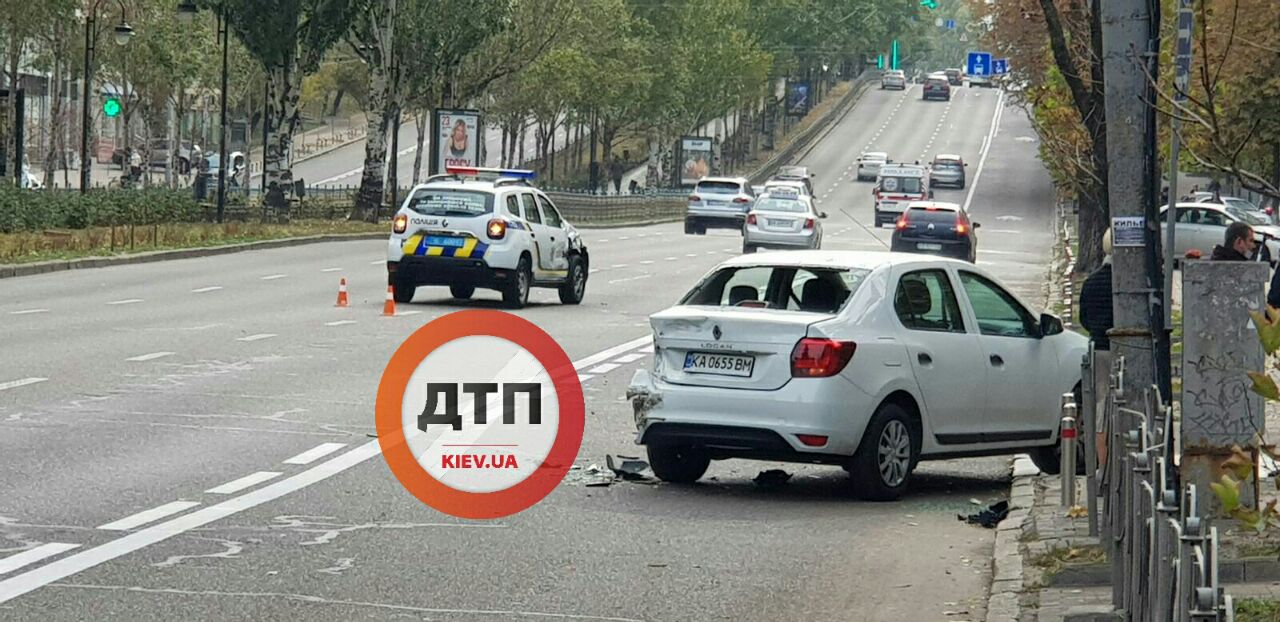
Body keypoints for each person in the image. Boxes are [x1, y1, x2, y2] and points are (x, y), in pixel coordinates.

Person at [1079, 228, 1115, 350]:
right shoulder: (1130, 282)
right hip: (1126, 345)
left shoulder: (1090, 282)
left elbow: (1084, 318)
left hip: (1098, 345)